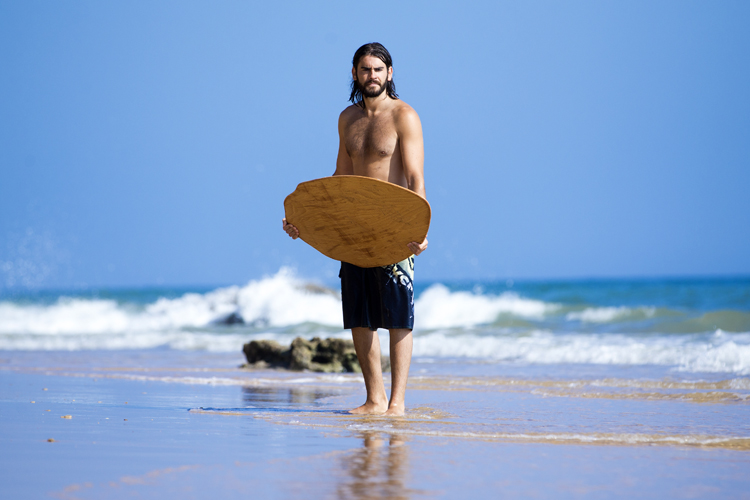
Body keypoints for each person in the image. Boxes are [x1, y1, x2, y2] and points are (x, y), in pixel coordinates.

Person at [282, 42, 427, 416]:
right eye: (365, 69)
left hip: (394, 227)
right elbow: (339, 179)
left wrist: (419, 227)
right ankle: (374, 399)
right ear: (355, 74)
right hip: (353, 230)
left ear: (389, 73)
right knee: (360, 316)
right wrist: (309, 221)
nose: (372, 76)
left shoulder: (404, 116)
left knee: (397, 316)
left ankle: (397, 403)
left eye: (378, 69)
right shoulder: (348, 119)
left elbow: (415, 178)